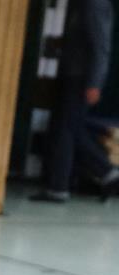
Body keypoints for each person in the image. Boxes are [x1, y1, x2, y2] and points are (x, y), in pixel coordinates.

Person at [31, 0, 118, 202]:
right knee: (69, 129)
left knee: (67, 130)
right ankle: (104, 172)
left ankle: (61, 186)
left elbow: (101, 46)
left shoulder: (94, 3)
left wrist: (95, 83)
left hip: (81, 78)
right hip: (73, 74)